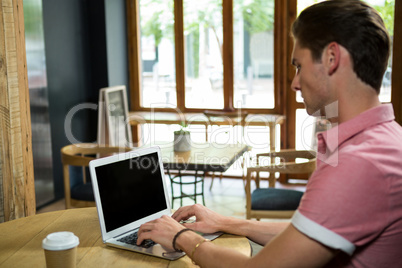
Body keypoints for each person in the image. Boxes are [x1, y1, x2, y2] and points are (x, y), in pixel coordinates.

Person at [137, 1, 402, 267]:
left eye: (299, 66)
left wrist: (182, 237)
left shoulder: (358, 163)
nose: (294, 83)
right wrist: (227, 222)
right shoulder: (383, 139)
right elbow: (306, 235)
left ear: (332, 58)